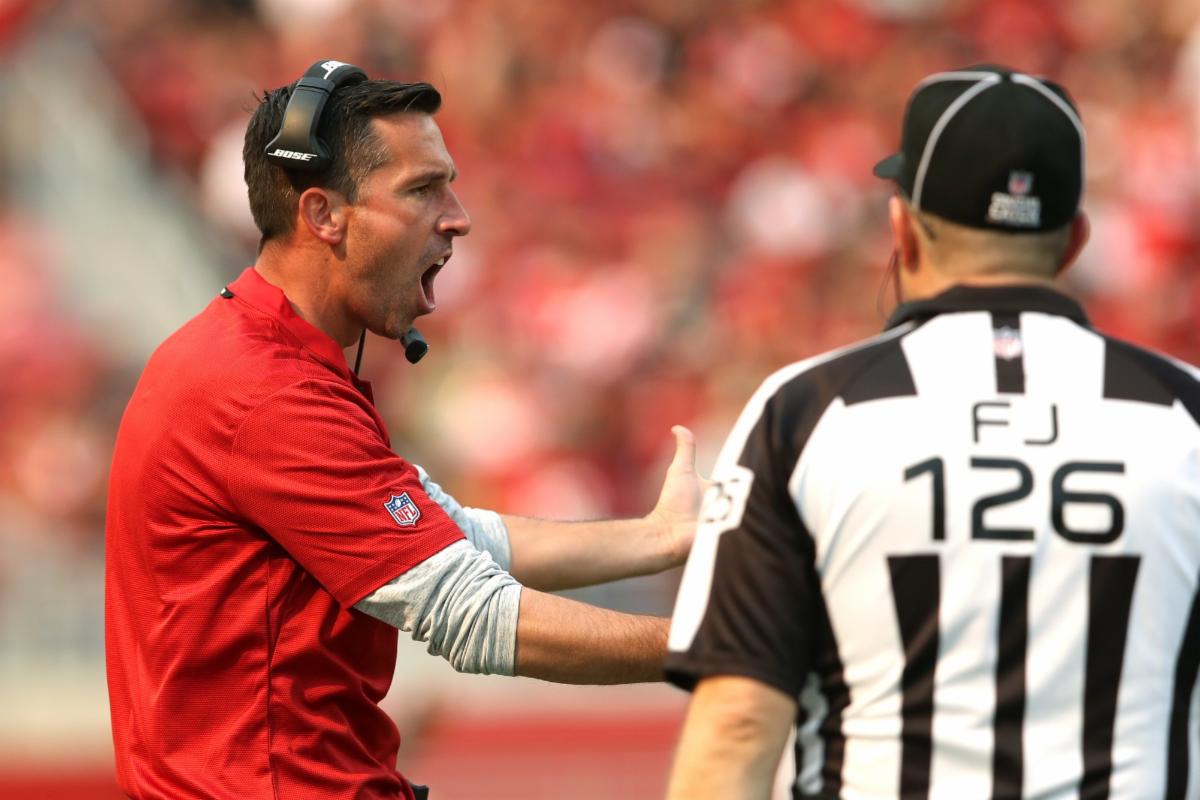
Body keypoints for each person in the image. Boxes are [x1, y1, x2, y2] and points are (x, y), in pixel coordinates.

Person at [104, 61, 704, 800]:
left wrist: (658, 538)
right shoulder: (265, 393)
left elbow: (455, 539)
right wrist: (727, 645)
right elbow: (473, 613)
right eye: (423, 189)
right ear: (323, 214)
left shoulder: (253, 356)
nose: (458, 217)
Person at [663, 64, 1200, 799]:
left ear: (904, 230)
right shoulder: (1184, 413)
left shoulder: (809, 412)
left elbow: (737, 726)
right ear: (1074, 240)